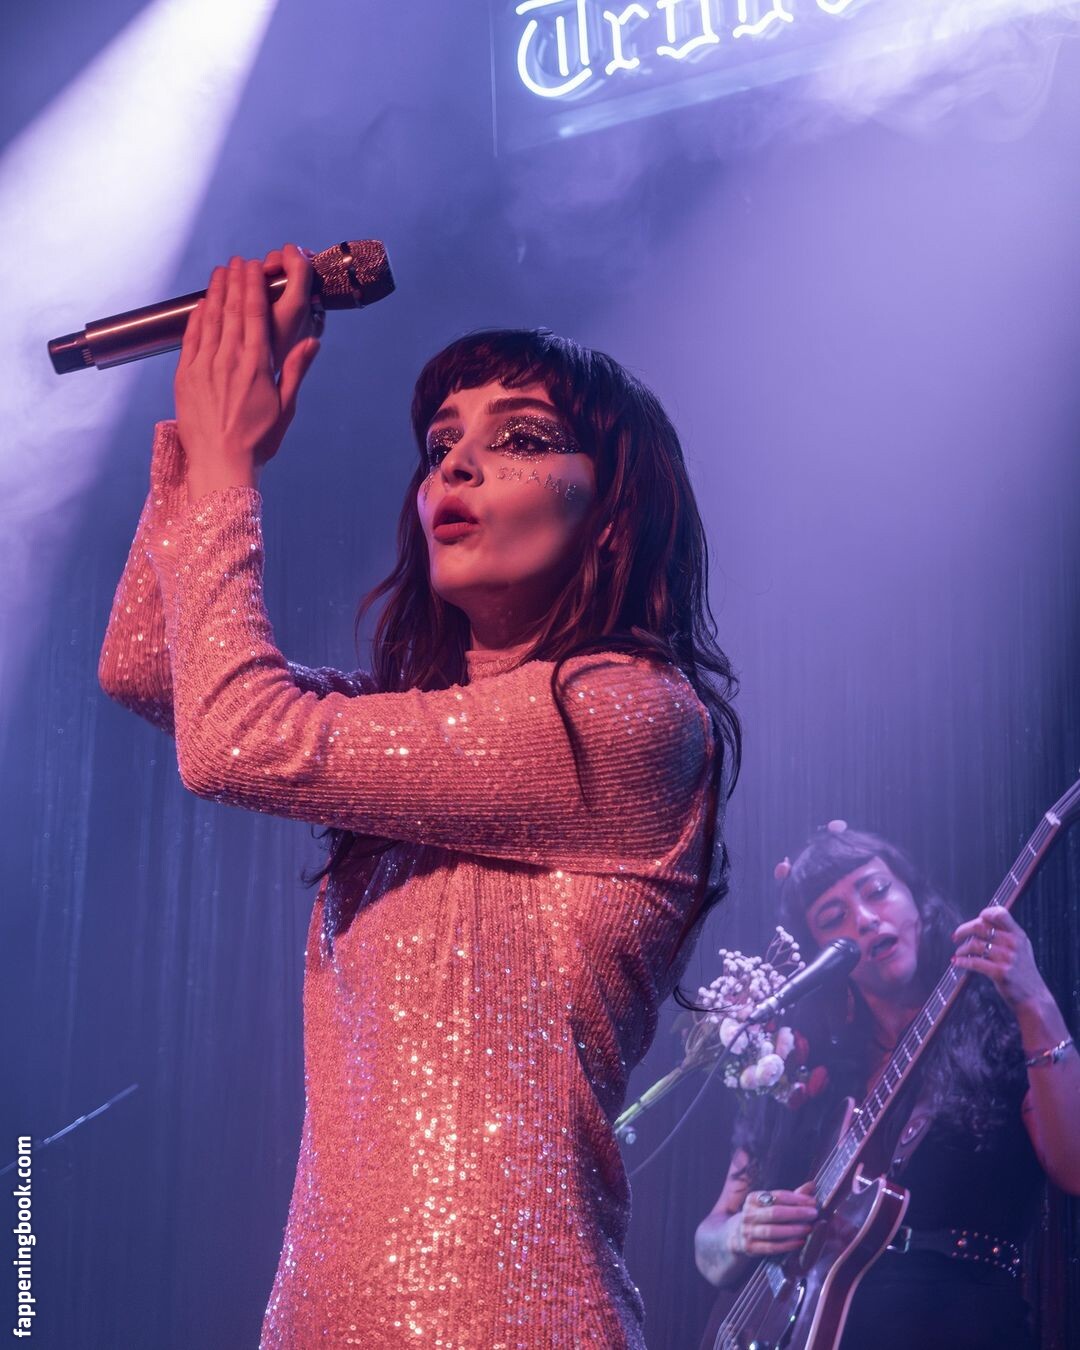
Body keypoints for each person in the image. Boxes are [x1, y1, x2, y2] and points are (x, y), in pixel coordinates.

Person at [98, 245, 740, 1347]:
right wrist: (197, 448)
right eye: (441, 446)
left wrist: (228, 468)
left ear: (615, 512)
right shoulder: (425, 725)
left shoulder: (632, 714)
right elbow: (148, 668)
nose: (459, 467)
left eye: (521, 438)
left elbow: (234, 741)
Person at [694, 824, 1080, 1350]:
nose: (865, 918)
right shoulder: (799, 1064)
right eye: (833, 918)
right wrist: (740, 1234)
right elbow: (709, 1244)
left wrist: (1035, 1000)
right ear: (822, 956)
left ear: (915, 898)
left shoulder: (1006, 1033)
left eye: (876, 891)